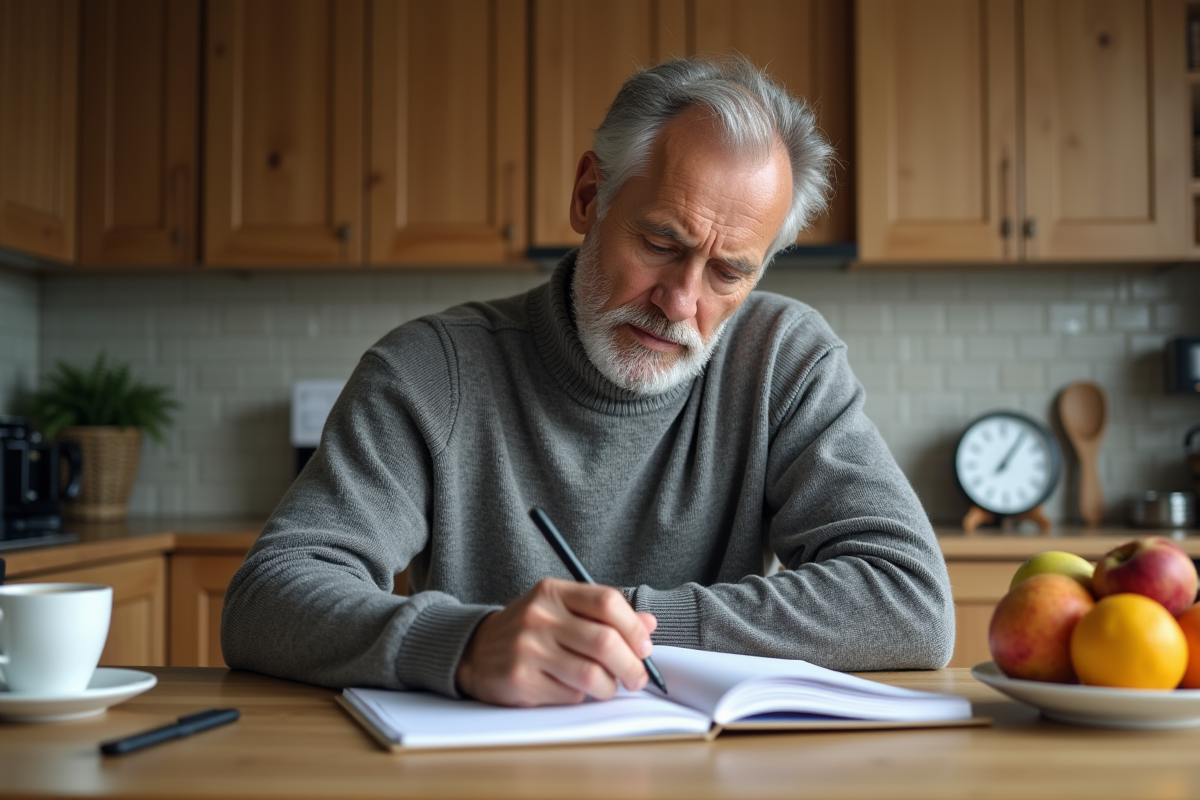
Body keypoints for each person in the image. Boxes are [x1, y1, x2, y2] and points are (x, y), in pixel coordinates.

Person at [221, 55, 955, 708]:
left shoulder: (783, 361)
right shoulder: (427, 372)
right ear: (587, 197)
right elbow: (267, 596)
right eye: (659, 242)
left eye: (730, 272)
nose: (680, 303)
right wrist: (466, 644)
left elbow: (911, 601)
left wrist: (629, 623)